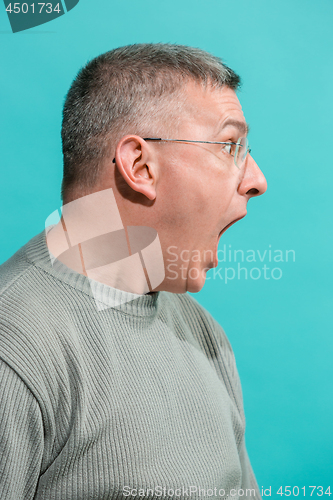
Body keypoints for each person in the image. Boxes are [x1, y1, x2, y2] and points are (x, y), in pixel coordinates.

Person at [0, 43, 267, 500]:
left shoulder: (206, 337)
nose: (256, 179)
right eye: (229, 146)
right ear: (140, 166)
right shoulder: (15, 349)